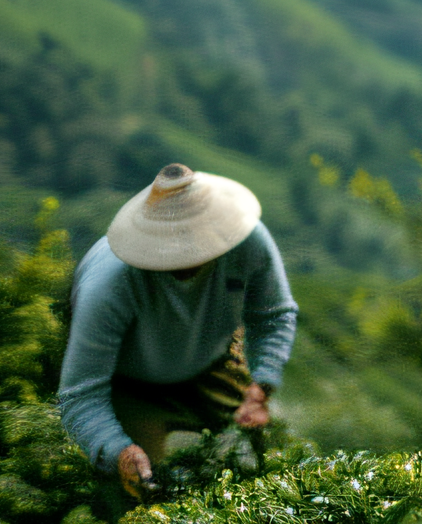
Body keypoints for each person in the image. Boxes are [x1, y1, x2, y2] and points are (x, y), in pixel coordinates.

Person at [57, 163, 297, 501]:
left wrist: (261, 386)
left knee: (258, 465)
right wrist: (119, 452)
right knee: (147, 493)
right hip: (130, 383)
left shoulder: (247, 242)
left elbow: (273, 316)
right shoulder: (110, 282)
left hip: (213, 361)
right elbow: (80, 395)